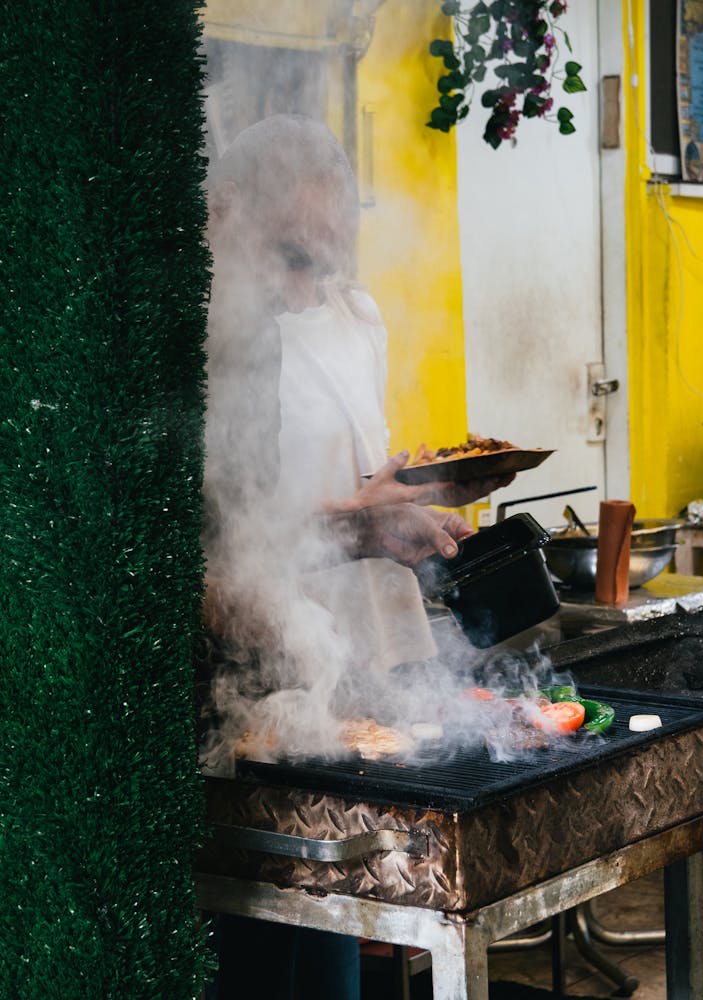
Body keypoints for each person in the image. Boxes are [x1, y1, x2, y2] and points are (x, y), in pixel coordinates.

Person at [202, 114, 513, 999]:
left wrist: (378, 525)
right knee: (256, 957)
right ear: (224, 211)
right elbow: (211, 554)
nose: (309, 290)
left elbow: (266, 529)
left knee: (334, 931)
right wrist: (362, 525)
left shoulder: (292, 320)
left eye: (326, 262)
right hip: (219, 726)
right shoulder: (173, 336)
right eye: (295, 256)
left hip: (319, 676)